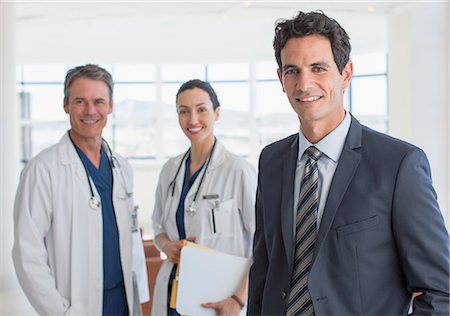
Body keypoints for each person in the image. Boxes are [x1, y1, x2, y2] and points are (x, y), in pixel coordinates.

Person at [247, 10, 450, 315]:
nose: (304, 84)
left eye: (318, 68)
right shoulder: (271, 161)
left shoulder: (398, 165)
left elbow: (441, 290)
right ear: (281, 79)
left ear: (346, 74)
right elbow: (263, 271)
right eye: (292, 70)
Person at [12, 64, 149, 315]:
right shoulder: (43, 170)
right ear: (66, 105)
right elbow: (27, 255)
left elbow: (130, 239)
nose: (90, 111)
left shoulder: (122, 167)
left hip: (123, 302)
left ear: (110, 106)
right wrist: (60, 312)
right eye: (80, 101)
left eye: (99, 101)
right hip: (75, 307)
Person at [151, 79, 257, 316]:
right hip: (172, 295)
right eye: (184, 112)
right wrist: (167, 246)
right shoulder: (170, 169)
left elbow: (265, 244)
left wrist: (238, 300)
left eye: (201, 110)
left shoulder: (238, 170)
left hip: (219, 300)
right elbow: (157, 227)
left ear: (216, 113)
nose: (193, 120)